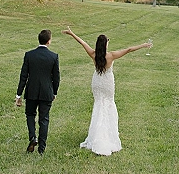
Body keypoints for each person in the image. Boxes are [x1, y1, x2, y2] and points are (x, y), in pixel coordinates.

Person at [62, 27, 151, 156]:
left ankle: (96, 134)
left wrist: (71, 33)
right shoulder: (111, 56)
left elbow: (82, 42)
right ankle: (107, 135)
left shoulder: (93, 54)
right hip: (107, 83)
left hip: (97, 83)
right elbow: (129, 50)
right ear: (105, 44)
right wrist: (143, 45)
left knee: (99, 105)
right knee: (108, 105)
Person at [16, 29, 60, 156]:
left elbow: (23, 76)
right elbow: (56, 77)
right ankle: (42, 147)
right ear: (49, 41)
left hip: (31, 91)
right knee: (44, 119)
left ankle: (32, 137)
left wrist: (18, 94)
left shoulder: (29, 55)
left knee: (30, 114)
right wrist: (54, 92)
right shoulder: (53, 56)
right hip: (47, 92)